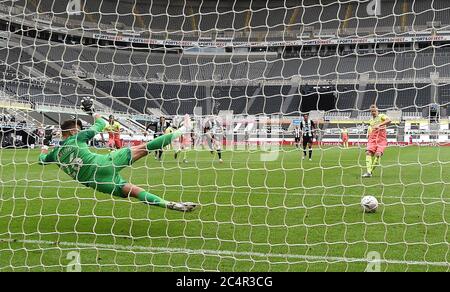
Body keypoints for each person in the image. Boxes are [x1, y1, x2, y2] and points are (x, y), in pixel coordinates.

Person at [39, 101, 197, 212]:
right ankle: (185, 129)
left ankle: (170, 204)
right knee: (145, 147)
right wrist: (92, 111)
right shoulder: (77, 137)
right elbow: (101, 124)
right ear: (73, 131)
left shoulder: (56, 154)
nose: (81, 131)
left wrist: (45, 144)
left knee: (132, 191)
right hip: (104, 164)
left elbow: (41, 160)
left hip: (97, 182)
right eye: (79, 128)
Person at [362, 105, 391, 178]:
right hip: (372, 139)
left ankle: (370, 171)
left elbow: (389, 120)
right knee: (368, 153)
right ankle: (368, 172)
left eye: (375, 111)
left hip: (381, 139)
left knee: (378, 154)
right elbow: (371, 129)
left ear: (377, 111)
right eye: (372, 111)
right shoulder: (371, 121)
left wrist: (379, 124)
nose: (373, 112)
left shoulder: (382, 116)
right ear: (370, 112)